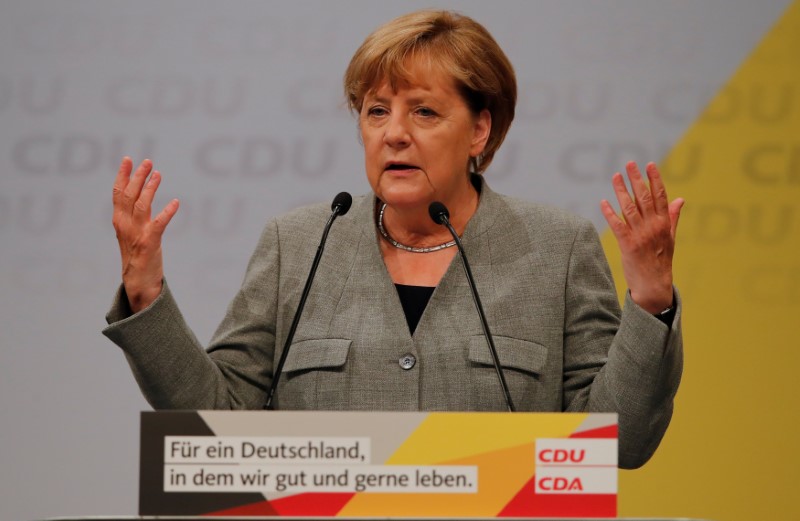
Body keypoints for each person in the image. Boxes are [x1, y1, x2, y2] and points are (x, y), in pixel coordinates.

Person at [104, 10, 683, 469]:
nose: (394, 134)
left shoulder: (556, 249)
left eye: (424, 112)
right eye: (376, 111)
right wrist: (146, 292)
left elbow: (618, 443)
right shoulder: (299, 243)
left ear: (480, 129)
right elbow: (216, 419)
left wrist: (652, 300)